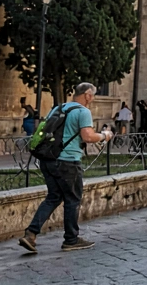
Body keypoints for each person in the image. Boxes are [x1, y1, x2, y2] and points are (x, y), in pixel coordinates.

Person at [19, 83, 112, 253]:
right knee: (72, 199)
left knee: (54, 197)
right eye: (92, 96)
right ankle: (71, 239)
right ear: (87, 95)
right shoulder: (83, 112)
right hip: (68, 161)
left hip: (48, 159)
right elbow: (88, 136)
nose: (92, 99)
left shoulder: (58, 108)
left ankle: (31, 234)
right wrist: (105, 136)